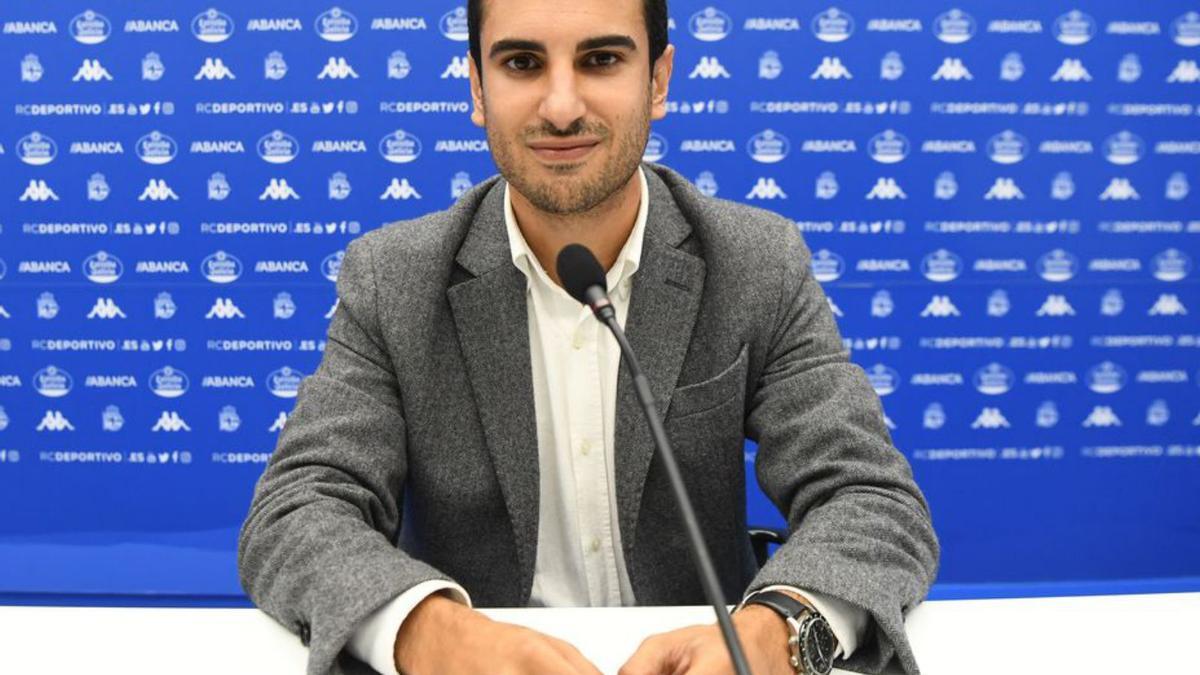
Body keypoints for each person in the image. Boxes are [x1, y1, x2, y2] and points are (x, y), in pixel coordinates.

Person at [237, 0, 940, 673]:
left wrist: (776, 630)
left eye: (601, 59)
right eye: (521, 63)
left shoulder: (755, 262)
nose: (562, 106)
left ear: (657, 81)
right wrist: (433, 633)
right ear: (478, 89)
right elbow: (298, 508)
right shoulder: (394, 278)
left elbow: (870, 499)